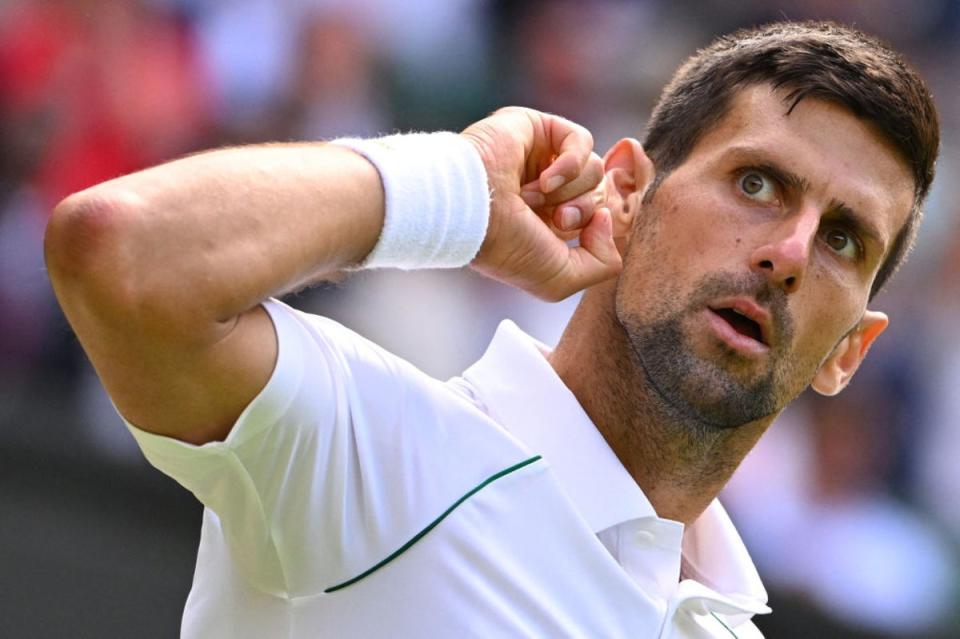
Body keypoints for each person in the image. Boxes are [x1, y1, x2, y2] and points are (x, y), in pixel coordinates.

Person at [44, 21, 938, 639]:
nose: (788, 251)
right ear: (625, 195)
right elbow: (122, 255)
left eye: (842, 238)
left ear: (848, 352)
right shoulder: (380, 447)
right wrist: (458, 187)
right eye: (756, 183)